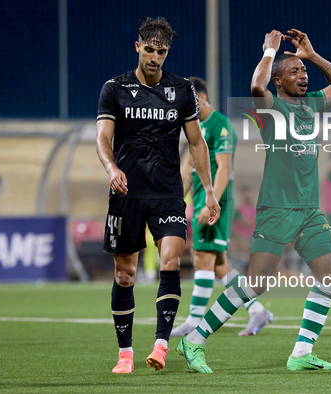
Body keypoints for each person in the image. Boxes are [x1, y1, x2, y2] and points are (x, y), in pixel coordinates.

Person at [178, 28, 331, 373]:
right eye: (294, 72)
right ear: (279, 81)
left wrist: (312, 56)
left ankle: (302, 352)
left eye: (303, 72)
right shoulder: (272, 109)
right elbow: (256, 86)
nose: (302, 76)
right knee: (256, 283)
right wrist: (270, 52)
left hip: (309, 211)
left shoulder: (312, 104)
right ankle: (194, 339)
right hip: (277, 209)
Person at [95, 17, 220, 374]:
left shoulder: (182, 90)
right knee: (125, 275)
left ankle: (161, 345)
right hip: (127, 192)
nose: (154, 57)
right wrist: (111, 169)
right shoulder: (114, 89)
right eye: (148, 50)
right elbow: (103, 138)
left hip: (167, 192)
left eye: (160, 52)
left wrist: (208, 190)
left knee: (170, 263)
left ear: (167, 52)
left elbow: (197, 143)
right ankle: (125, 353)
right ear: (138, 47)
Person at [171, 77, 272, 338]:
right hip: (203, 199)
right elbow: (187, 168)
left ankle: (194, 320)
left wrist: (210, 202)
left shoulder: (221, 125)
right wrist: (175, 203)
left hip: (217, 202)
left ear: (201, 99)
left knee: (202, 258)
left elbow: (224, 168)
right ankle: (257, 309)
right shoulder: (194, 126)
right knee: (217, 266)